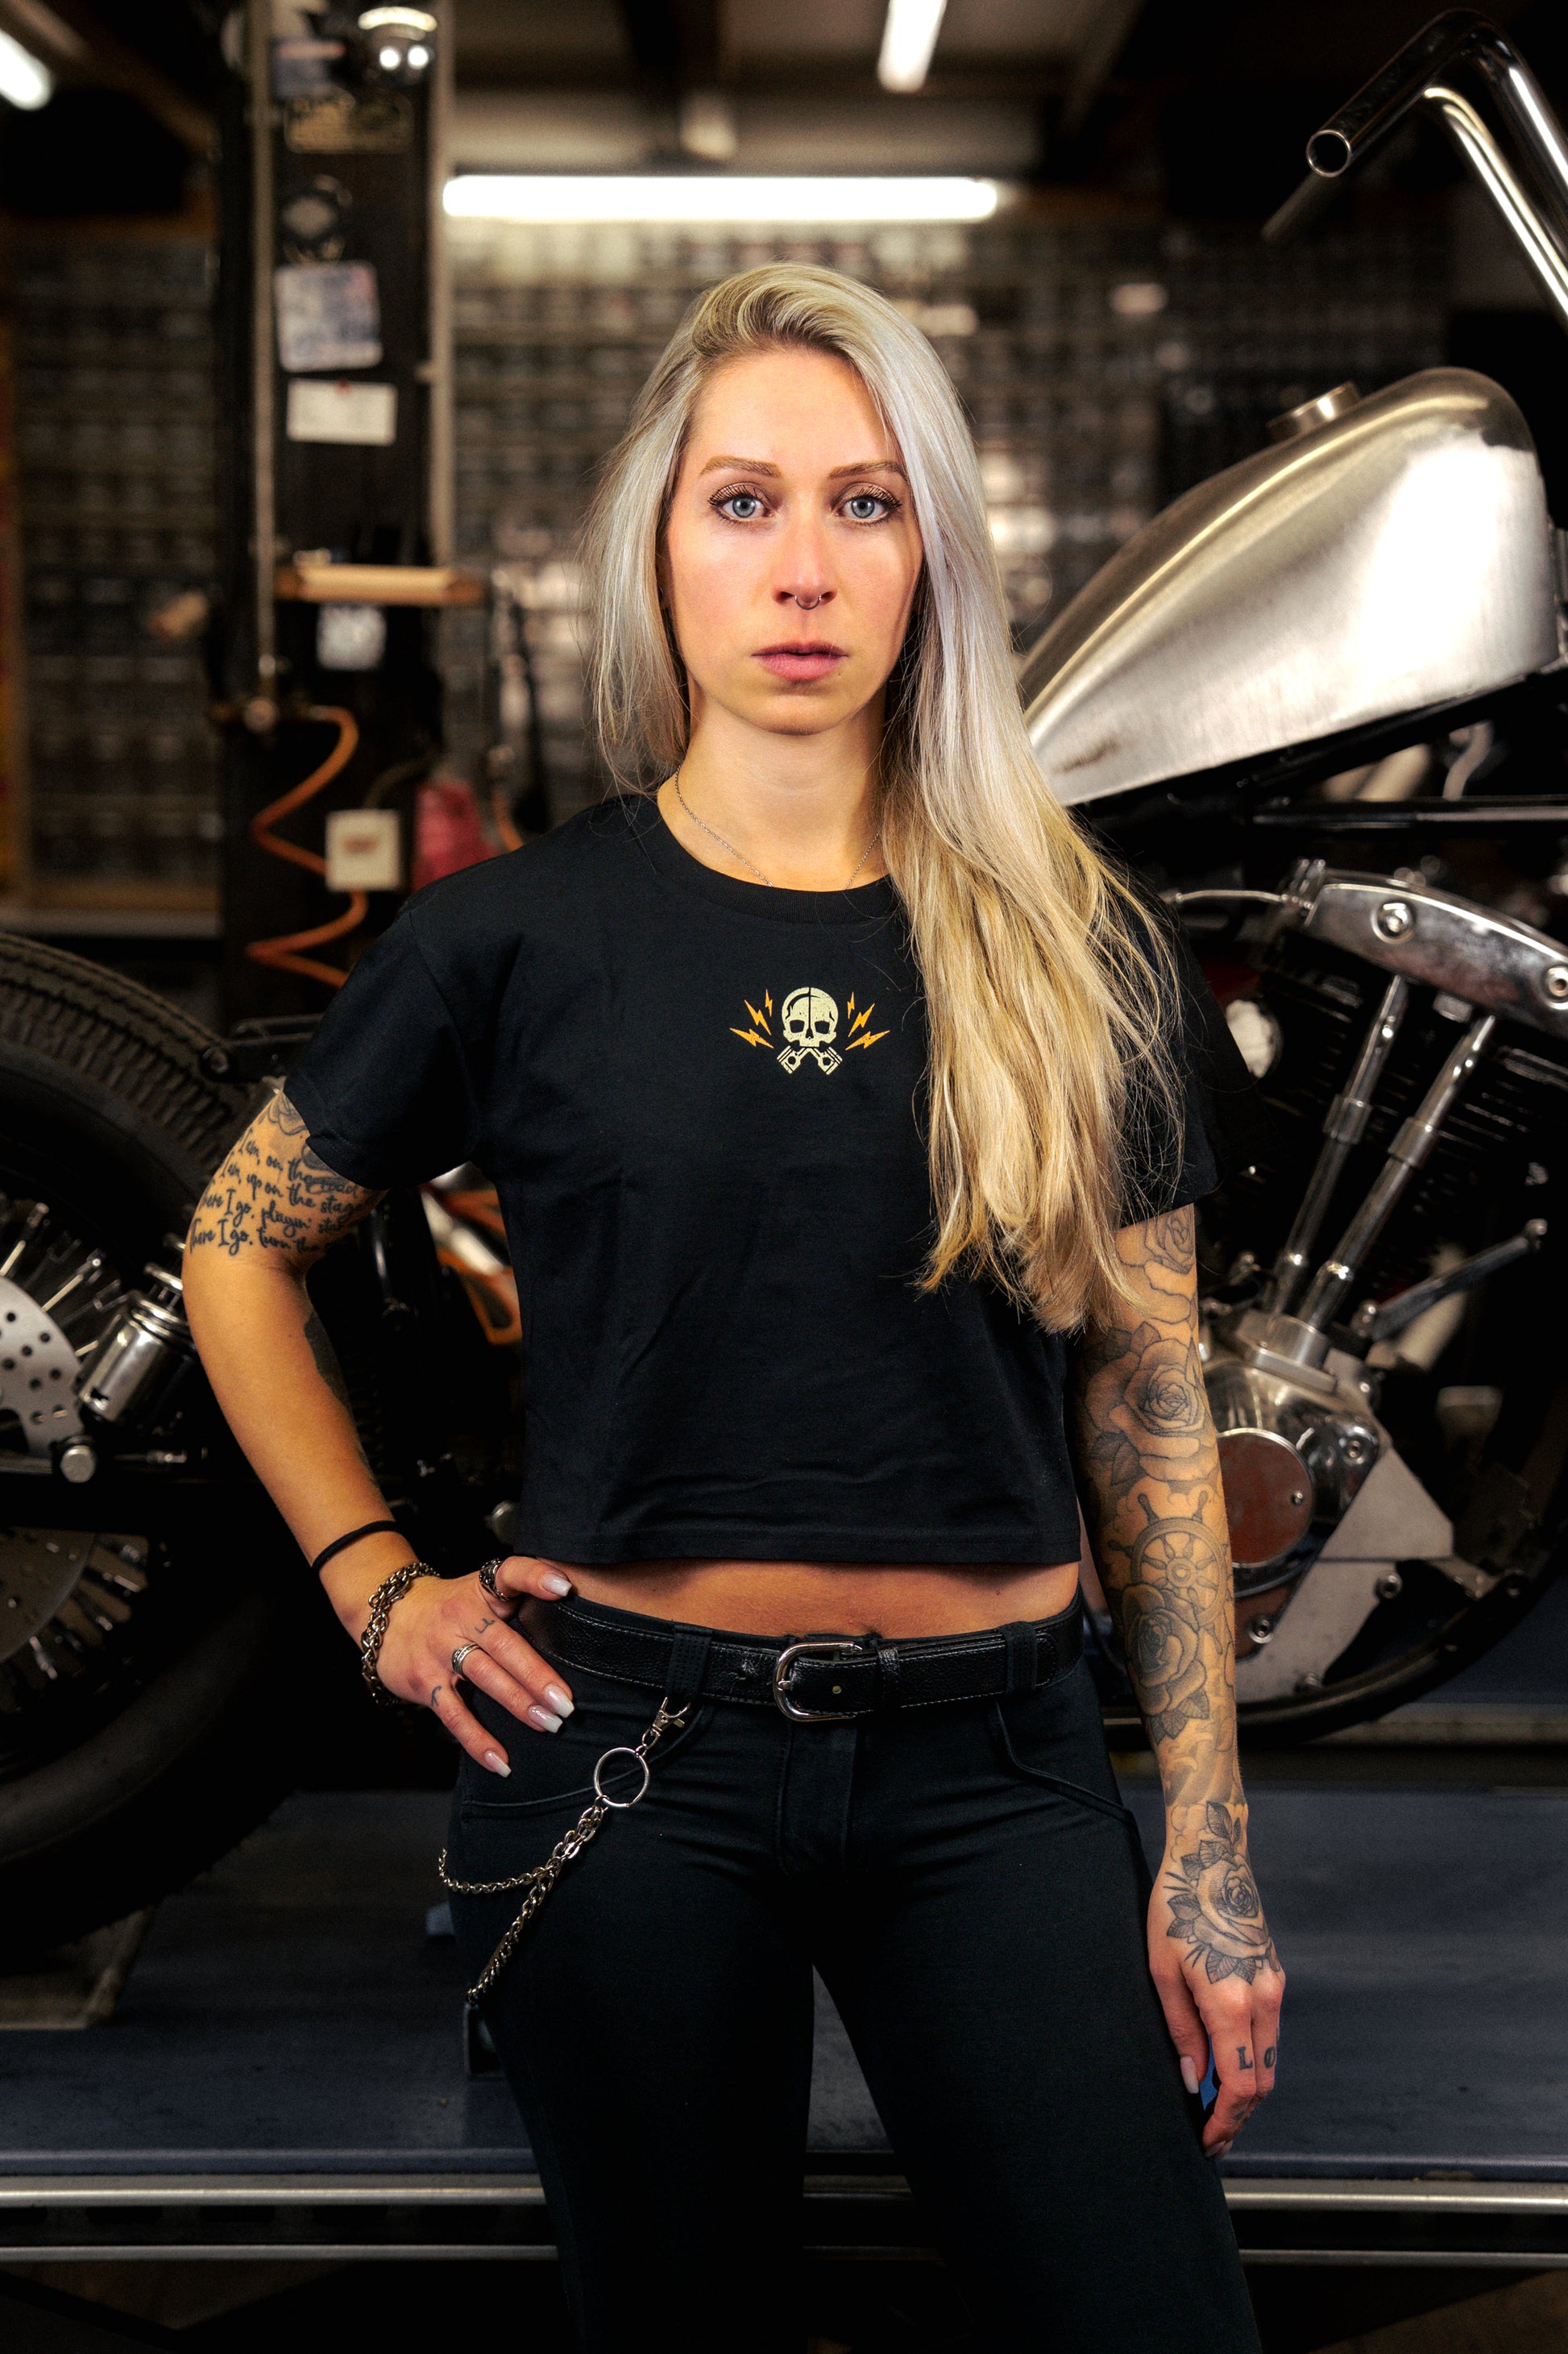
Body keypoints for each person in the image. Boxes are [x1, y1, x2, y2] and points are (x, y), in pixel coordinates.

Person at [185, 264, 1279, 2353]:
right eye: (743, 501)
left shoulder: (1078, 944)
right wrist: (375, 1585)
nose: (802, 568)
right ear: (657, 548)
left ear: (932, 556)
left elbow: (1151, 1391)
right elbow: (236, 1240)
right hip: (627, 1760)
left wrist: (1208, 1850)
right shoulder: (511, 939)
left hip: (995, 1765)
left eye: (865, 504)